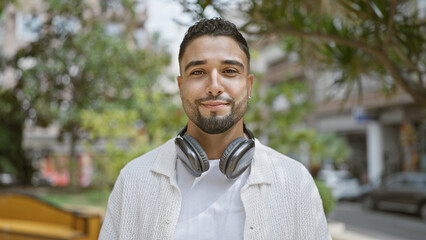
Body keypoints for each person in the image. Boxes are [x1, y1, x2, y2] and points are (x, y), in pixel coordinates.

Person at [99, 18, 331, 240]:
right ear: (181, 86)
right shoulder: (135, 179)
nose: (214, 86)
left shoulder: (294, 182)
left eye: (229, 71)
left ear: (249, 86)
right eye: (198, 72)